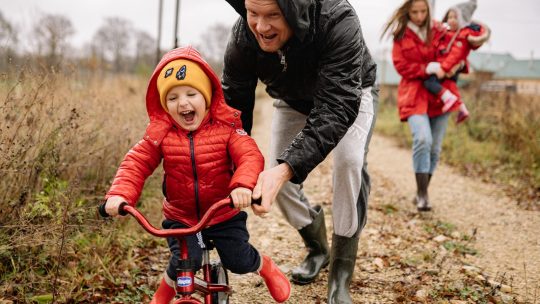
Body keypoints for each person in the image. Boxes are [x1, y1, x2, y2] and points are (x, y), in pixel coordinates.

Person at [102, 46, 291, 303]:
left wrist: (242, 186)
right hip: (181, 216)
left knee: (238, 259)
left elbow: (249, 155)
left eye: (192, 94)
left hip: (224, 211)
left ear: (207, 97)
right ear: (164, 105)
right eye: (172, 98)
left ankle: (265, 266)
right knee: (183, 261)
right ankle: (163, 295)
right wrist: (119, 195)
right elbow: (135, 163)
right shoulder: (160, 135)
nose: (183, 103)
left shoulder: (226, 129)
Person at [221, 0, 377, 303]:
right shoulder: (242, 37)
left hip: (350, 95)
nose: (261, 27)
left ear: (293, 11)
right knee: (275, 177)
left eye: (272, 15)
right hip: (292, 100)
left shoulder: (337, 18)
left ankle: (340, 275)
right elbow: (234, 114)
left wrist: (287, 168)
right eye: (253, 14)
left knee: (349, 162)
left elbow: (336, 106)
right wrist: (231, 170)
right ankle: (318, 248)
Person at [382, 0, 456, 211]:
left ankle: (421, 192)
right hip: (414, 95)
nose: (419, 16)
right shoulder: (401, 35)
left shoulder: (440, 29)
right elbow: (402, 66)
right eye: (414, 12)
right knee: (423, 138)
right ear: (407, 11)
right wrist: (427, 68)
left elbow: (455, 49)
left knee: (435, 148)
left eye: (423, 11)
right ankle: (423, 194)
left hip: (441, 95)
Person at [423, 0, 490, 123]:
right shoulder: (449, 33)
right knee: (450, 86)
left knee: (430, 82)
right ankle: (462, 108)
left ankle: (448, 99)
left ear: (463, 19)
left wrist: (443, 68)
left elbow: (455, 55)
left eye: (455, 17)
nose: (451, 20)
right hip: (446, 66)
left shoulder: (461, 36)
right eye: (449, 17)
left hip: (446, 67)